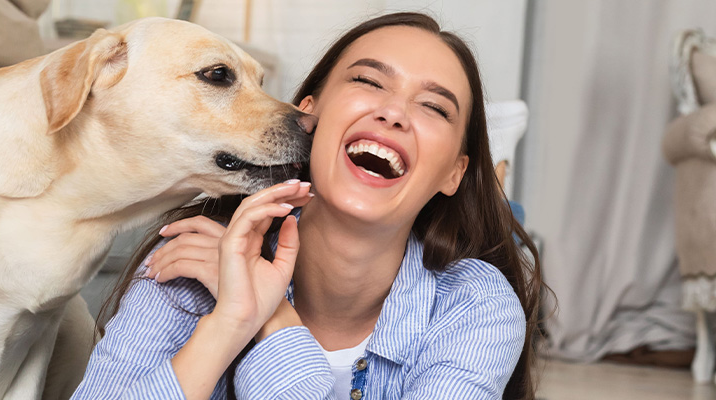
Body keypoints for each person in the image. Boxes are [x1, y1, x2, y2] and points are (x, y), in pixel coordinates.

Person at [72, 11, 543, 400]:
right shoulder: (196, 256)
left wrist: (272, 318)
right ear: (307, 118)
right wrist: (229, 323)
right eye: (369, 81)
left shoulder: (475, 305)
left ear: (453, 174)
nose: (394, 112)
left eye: (434, 107)